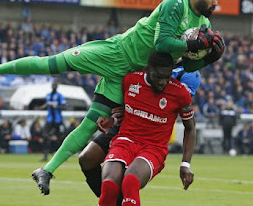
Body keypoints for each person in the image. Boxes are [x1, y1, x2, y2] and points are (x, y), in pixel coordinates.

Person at [0, 0, 224, 195]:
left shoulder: (203, 23)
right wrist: (191, 46)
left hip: (132, 76)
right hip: (117, 53)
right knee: (52, 63)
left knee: (90, 125)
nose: (215, 3)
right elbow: (162, 44)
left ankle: (47, 170)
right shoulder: (176, 4)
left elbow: (188, 66)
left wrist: (208, 58)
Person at [78, 65, 201, 204]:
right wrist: (113, 119)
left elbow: (189, 126)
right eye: (159, 77)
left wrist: (185, 164)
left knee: (129, 181)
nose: (162, 82)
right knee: (104, 178)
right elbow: (131, 107)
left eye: (166, 78)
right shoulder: (132, 79)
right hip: (126, 135)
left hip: (153, 142)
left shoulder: (182, 88)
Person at [39, 81, 67, 161]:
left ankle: (61, 155)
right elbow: (46, 105)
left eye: (55, 85)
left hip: (58, 120)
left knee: (61, 137)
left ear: (57, 86)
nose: (54, 86)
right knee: (45, 135)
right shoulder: (48, 95)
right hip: (49, 120)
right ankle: (45, 155)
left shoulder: (59, 96)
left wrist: (56, 106)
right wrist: (41, 107)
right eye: (53, 85)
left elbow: (65, 106)